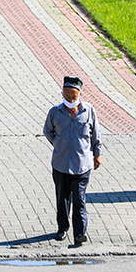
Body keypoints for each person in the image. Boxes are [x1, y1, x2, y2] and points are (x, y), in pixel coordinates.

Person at [43, 76, 102, 244]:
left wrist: (97, 154)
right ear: (62, 93)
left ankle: (79, 233)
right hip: (61, 165)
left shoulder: (89, 111)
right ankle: (62, 228)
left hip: (82, 165)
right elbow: (48, 130)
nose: (70, 99)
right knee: (62, 199)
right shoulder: (55, 111)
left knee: (79, 200)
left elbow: (96, 134)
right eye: (67, 96)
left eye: (73, 96)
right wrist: (58, 143)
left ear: (79, 94)